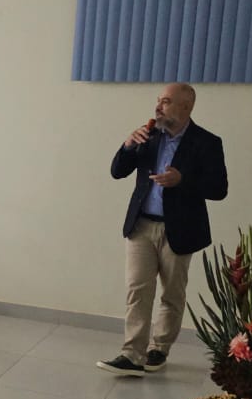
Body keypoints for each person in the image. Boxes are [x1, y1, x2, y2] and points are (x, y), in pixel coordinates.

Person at [98, 82, 228, 376]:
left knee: (172, 294)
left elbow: (219, 189)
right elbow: (117, 171)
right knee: (137, 289)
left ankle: (159, 349)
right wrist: (127, 146)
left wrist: (183, 180)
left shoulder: (206, 142)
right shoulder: (148, 136)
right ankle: (132, 354)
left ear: (186, 106)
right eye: (158, 100)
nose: (158, 107)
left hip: (179, 228)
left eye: (166, 101)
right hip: (142, 225)